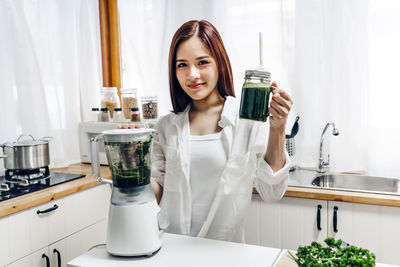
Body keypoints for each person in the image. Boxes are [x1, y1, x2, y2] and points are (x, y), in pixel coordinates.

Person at [122, 20, 293, 243]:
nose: (192, 74)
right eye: (182, 65)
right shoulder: (166, 126)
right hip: (172, 249)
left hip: (225, 253)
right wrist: (132, 164)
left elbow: (272, 193)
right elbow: (156, 194)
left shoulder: (246, 121)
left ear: (219, 63)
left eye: (202, 62)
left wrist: (278, 127)